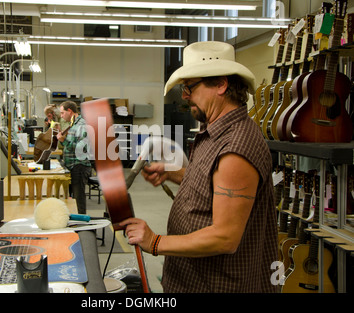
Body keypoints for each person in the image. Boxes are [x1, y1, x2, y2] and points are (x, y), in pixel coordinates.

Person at [120, 41, 278, 293]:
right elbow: (213, 184)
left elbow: (225, 237)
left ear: (221, 84)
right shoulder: (212, 131)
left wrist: (155, 241)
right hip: (191, 279)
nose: (184, 95)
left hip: (217, 285)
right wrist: (173, 174)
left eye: (189, 87)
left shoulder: (236, 147)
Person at [56, 101, 92, 214]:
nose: (61, 116)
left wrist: (64, 141)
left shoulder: (81, 125)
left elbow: (81, 149)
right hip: (73, 166)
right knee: (73, 200)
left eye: (62, 113)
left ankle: (82, 226)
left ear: (69, 111)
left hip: (79, 167)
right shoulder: (73, 124)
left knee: (79, 200)